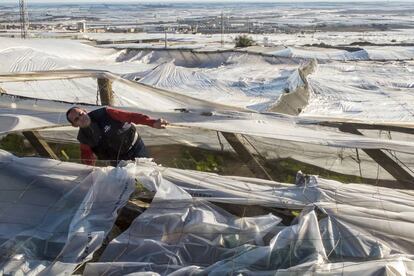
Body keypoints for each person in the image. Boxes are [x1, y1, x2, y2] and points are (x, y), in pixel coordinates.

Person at [66, 106, 168, 166]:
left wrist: (152, 122)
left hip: (135, 147)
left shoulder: (105, 113)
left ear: (85, 111)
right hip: (117, 160)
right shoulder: (83, 138)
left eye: (81, 114)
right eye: (76, 119)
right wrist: (88, 174)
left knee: (149, 173)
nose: (81, 118)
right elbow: (87, 157)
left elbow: (130, 116)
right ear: (75, 125)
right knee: (125, 183)